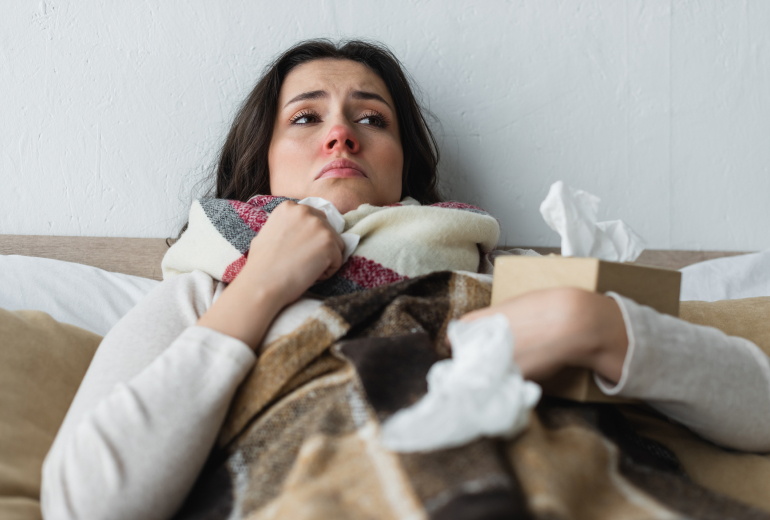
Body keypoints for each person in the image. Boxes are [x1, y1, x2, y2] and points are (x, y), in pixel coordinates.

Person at [41, 39, 770, 520]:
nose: (341, 133)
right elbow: (85, 503)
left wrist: (599, 329)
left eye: (370, 117)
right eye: (306, 117)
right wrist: (262, 287)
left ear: (403, 167)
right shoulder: (204, 296)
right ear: (261, 162)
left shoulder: (511, 278)